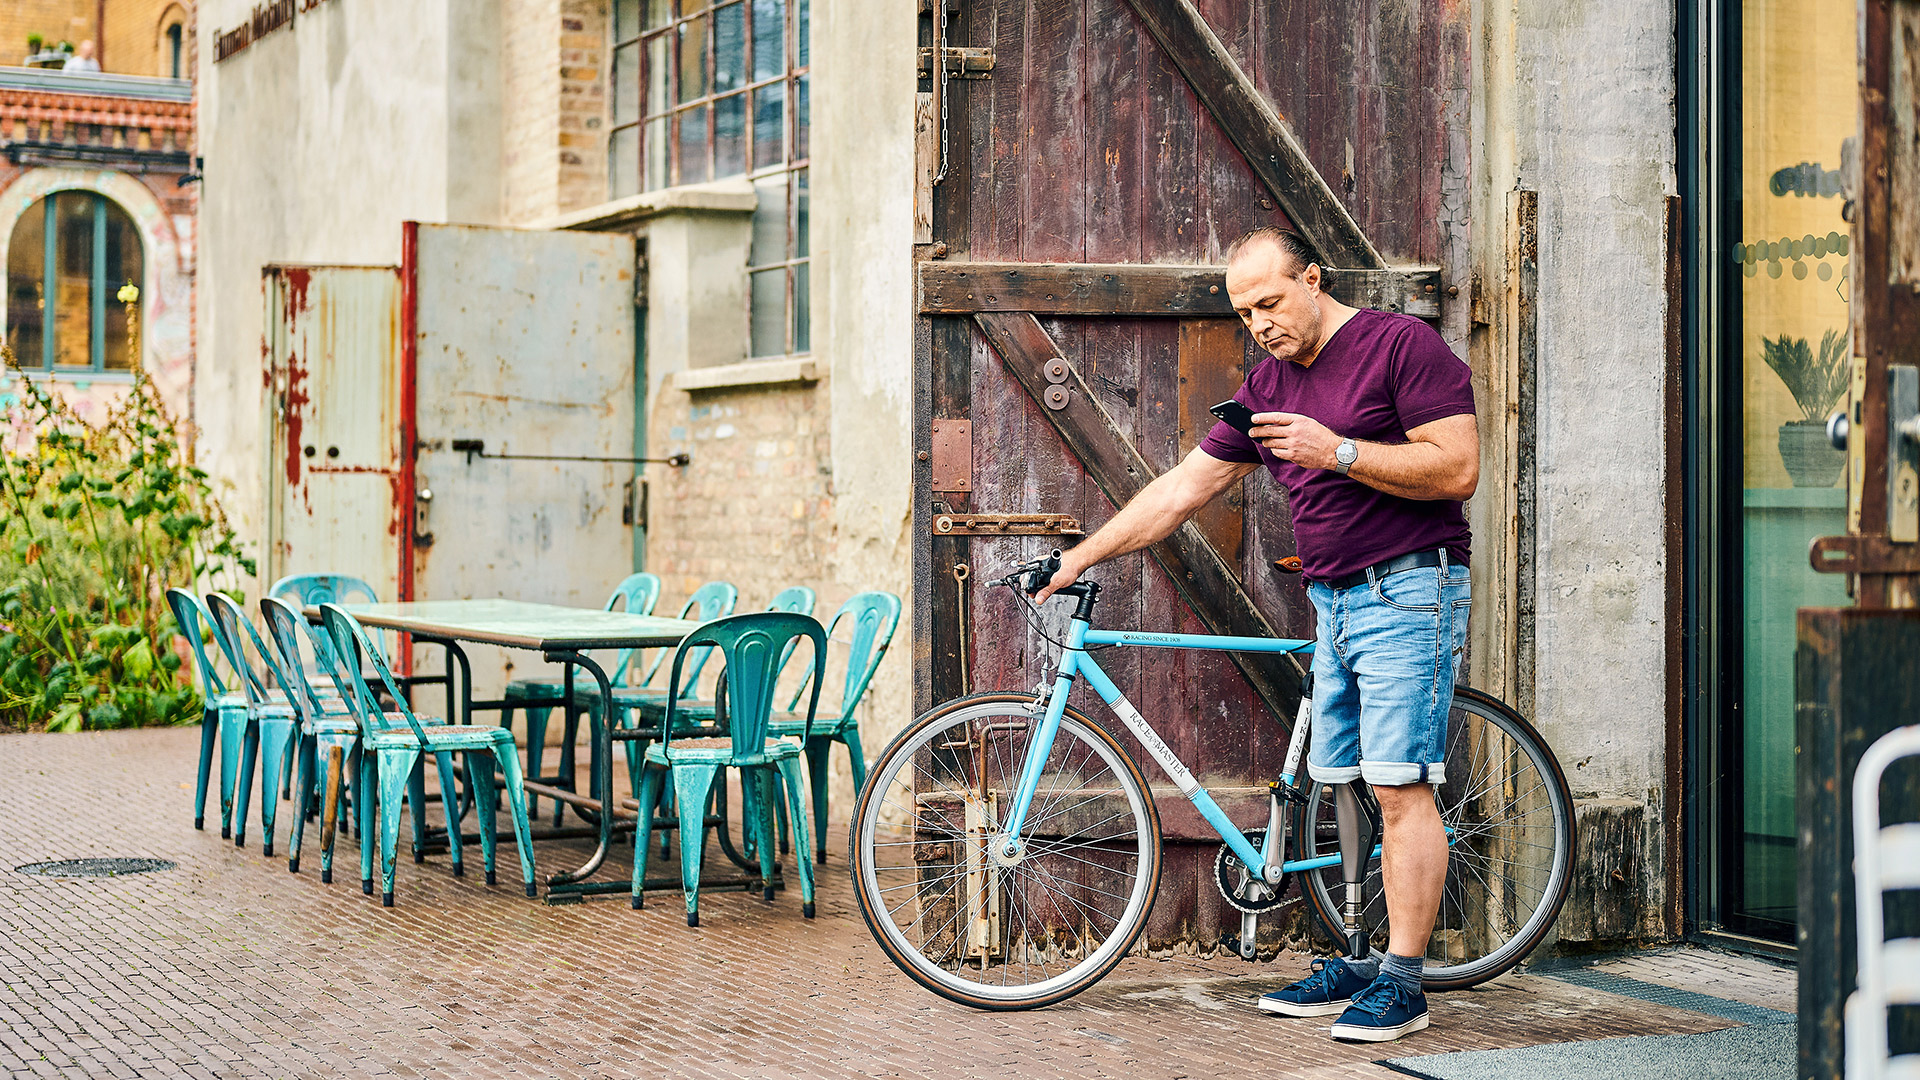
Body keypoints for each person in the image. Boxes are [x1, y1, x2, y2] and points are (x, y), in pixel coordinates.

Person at [1035, 225, 1478, 1043]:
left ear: (1312, 279)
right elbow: (1180, 492)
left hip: (1410, 588)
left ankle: (1405, 983)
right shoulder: (1269, 383)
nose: (1260, 323)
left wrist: (1336, 451)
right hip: (1332, 600)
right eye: (1245, 312)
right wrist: (1078, 557)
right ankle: (1359, 959)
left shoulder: (1399, 346)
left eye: (1270, 302)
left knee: (1399, 785)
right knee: (1341, 781)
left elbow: (1457, 467)